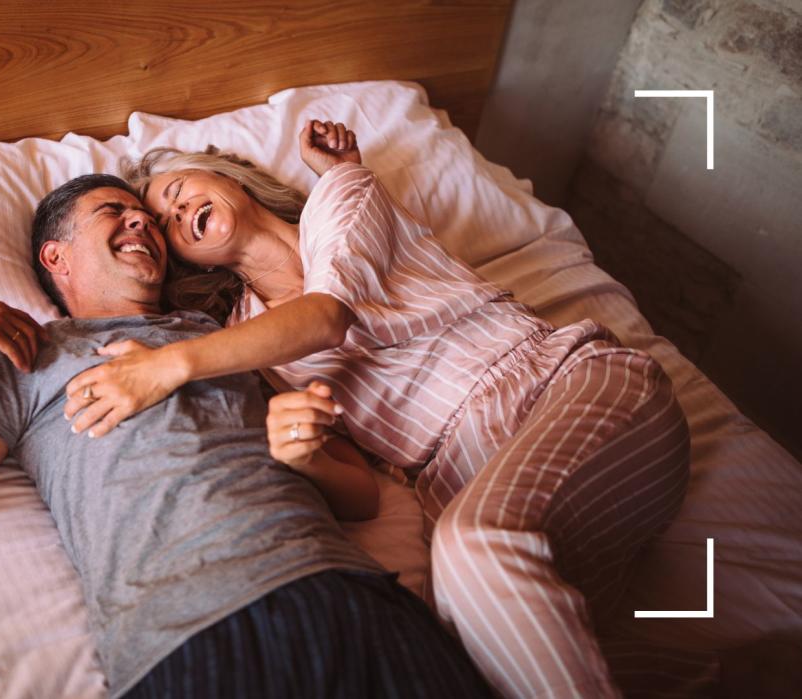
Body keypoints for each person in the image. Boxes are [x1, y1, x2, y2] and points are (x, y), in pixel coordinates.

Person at [58, 122, 693, 697]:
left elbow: (327, 317)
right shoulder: (249, 344)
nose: (173, 212)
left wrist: (170, 364)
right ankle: (726, 673)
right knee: (477, 665)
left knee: (474, 549)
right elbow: (357, 490)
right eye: (165, 224)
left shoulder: (340, 201)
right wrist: (304, 455)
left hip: (569, 391)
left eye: (177, 189)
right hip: (480, 485)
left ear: (226, 176)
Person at [0, 173, 490, 698]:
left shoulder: (225, 336)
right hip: (187, 635)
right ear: (57, 257)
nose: (143, 225)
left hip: (349, 594)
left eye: (149, 220)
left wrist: (307, 457)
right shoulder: (31, 357)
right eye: (115, 213)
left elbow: (363, 498)